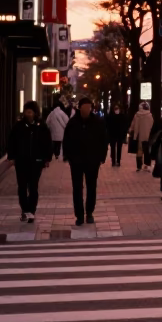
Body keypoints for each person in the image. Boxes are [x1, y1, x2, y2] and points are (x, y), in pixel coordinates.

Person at [62, 96, 108, 225]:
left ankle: (89, 213)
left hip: (92, 160)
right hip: (76, 161)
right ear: (80, 107)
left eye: (89, 107)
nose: (87, 109)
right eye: (85, 107)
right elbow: (67, 140)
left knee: (91, 187)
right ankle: (79, 215)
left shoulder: (98, 122)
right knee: (77, 188)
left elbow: (103, 140)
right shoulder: (73, 122)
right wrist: (68, 156)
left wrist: (101, 157)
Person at [6, 101, 52, 222]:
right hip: (21, 161)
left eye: (30, 112)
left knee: (33, 187)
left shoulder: (41, 126)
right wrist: (12, 157)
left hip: (36, 161)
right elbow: (11, 142)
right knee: (22, 186)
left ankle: (31, 210)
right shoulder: (18, 126)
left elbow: (47, 143)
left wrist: (47, 158)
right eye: (27, 111)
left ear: (35, 113)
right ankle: (24, 209)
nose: (28, 114)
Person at [129, 100, 155, 171]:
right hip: (148, 135)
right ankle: (147, 165)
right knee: (147, 150)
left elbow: (133, 125)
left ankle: (139, 166)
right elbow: (152, 125)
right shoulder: (150, 115)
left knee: (139, 150)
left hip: (139, 135)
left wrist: (131, 130)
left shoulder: (137, 115)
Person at [106, 103, 128, 167]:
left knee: (119, 148)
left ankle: (118, 161)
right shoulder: (110, 117)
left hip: (119, 135)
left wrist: (124, 134)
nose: (116, 110)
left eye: (117, 108)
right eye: (115, 109)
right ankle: (113, 161)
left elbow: (125, 126)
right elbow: (107, 126)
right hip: (112, 134)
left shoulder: (122, 117)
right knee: (113, 148)